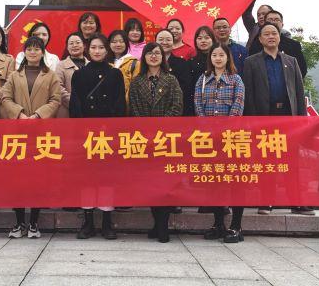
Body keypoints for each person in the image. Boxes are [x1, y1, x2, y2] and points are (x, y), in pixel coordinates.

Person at [242, 23, 311, 216]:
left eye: (274, 33)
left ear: (279, 37)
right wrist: (253, 122)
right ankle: (266, 201)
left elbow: (299, 92)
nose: (271, 36)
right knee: (267, 161)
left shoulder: (291, 61)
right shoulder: (251, 62)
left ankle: (297, 202)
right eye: (267, 34)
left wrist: (302, 121)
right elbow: (249, 95)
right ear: (261, 39)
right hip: (265, 117)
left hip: (288, 117)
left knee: (291, 161)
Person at [0, 36, 62, 238]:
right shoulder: (14, 76)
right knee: (16, 179)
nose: (33, 52)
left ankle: (34, 223)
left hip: (41, 132)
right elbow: (4, 96)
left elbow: (56, 99)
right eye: (29, 49)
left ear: (43, 52)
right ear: (24, 52)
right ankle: (19, 223)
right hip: (18, 132)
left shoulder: (50, 75)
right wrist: (19, 113)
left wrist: (38, 115)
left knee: (38, 178)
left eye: (37, 49)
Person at [69, 34, 126, 239]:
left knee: (106, 177)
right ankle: (88, 222)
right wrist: (82, 130)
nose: (97, 51)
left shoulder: (115, 74)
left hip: (108, 135)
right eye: (93, 47)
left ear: (107, 50)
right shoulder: (79, 74)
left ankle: (107, 223)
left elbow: (120, 105)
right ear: (87, 49)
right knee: (87, 178)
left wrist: (113, 130)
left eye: (101, 47)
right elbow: (75, 105)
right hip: (86, 134)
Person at [128, 43, 183, 243]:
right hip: (144, 140)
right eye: (150, 53)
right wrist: (147, 131)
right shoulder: (137, 82)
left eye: (157, 53)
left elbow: (177, 107)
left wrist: (159, 129)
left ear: (163, 57)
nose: (154, 56)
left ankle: (163, 225)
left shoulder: (171, 80)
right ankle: (156, 223)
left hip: (165, 140)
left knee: (165, 182)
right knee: (150, 183)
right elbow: (133, 110)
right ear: (144, 57)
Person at [193, 44, 245, 243]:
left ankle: (236, 226)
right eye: (214, 55)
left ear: (227, 57)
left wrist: (225, 131)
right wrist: (208, 129)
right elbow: (198, 104)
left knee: (235, 181)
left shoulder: (235, 79)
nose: (217, 58)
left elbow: (238, 105)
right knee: (213, 181)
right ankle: (218, 224)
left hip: (231, 139)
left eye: (221, 55)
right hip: (209, 139)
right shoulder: (203, 79)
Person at [248, 9, 308, 77]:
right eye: (270, 20)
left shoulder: (293, 45)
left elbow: (302, 70)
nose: (273, 22)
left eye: (277, 20)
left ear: (282, 24)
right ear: (264, 23)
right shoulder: (256, 43)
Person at [155, 29, 195, 116]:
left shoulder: (182, 63)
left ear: (173, 44)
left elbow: (185, 88)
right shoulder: (150, 63)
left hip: (176, 110)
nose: (164, 42)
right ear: (155, 42)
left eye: (168, 40)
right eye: (161, 39)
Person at [55, 32, 87, 118]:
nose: (74, 45)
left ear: (84, 45)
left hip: (88, 111)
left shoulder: (90, 65)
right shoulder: (61, 65)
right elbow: (58, 88)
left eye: (77, 42)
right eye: (71, 43)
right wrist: (74, 104)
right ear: (67, 47)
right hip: (66, 111)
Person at [108, 29, 138, 108]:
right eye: (114, 42)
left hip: (126, 108)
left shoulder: (134, 63)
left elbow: (134, 89)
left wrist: (123, 104)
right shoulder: (104, 63)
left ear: (126, 44)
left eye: (121, 41)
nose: (118, 44)